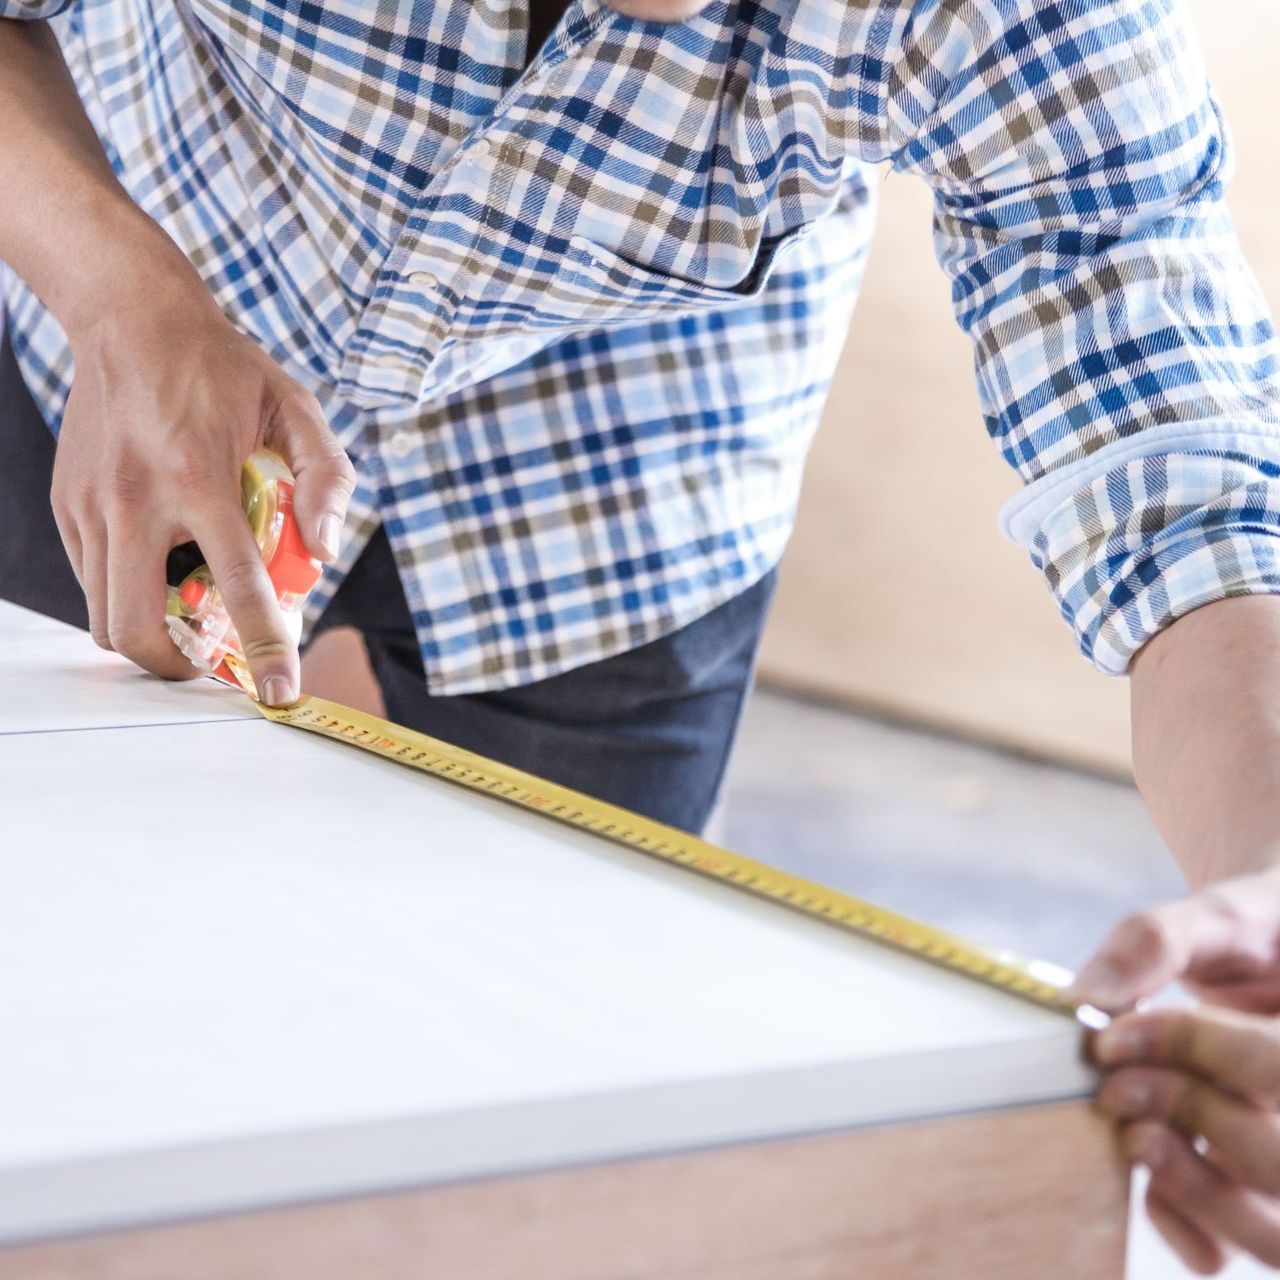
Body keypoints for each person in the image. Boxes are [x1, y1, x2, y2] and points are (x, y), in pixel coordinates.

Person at [2, 0, 1279, 1268]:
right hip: (135, 313)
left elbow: (1178, 466)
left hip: (622, 477)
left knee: (538, 1131)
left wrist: (1269, 885)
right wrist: (121, 297)